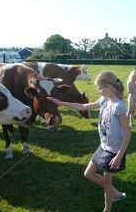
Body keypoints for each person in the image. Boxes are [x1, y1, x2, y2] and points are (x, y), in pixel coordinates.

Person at [47, 71, 131, 212]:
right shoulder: (105, 100)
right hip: (103, 146)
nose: (98, 90)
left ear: (108, 87)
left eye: (100, 87)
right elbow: (83, 107)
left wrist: (119, 156)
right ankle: (115, 193)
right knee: (88, 174)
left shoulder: (119, 106)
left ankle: (107, 208)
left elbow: (128, 133)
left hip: (113, 151)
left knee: (106, 182)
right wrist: (60, 103)